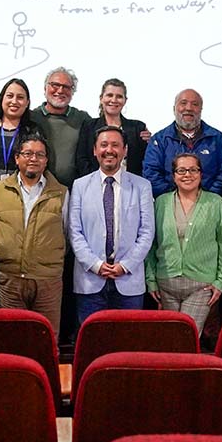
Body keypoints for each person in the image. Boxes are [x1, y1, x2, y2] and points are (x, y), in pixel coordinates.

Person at [70, 126, 155, 323]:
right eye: (104, 145)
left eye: (115, 145)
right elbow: (74, 231)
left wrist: (125, 266)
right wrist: (96, 265)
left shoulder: (142, 186)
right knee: (92, 343)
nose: (109, 150)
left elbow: (147, 232)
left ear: (125, 150)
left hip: (128, 280)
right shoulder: (80, 186)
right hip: (90, 280)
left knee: (127, 345)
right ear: (94, 150)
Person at [0, 135, 69, 335]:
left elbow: (66, 231)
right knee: (13, 340)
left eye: (40, 154)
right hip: (10, 277)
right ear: (17, 158)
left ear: (46, 160)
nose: (34, 158)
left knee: (47, 339)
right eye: (28, 153)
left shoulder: (61, 192)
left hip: (47, 279)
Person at [145, 153, 222, 335]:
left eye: (193, 170)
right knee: (169, 337)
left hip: (201, 285)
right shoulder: (161, 202)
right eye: (181, 170)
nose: (187, 175)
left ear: (201, 174)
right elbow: (151, 245)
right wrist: (151, 280)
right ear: (173, 175)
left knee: (188, 336)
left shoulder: (215, 202)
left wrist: (220, 281)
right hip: (165, 283)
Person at [144, 88, 222, 197]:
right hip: (169, 205)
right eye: (183, 103)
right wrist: (173, 198)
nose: (189, 108)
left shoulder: (217, 138)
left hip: (209, 204)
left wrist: (209, 196)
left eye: (195, 104)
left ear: (201, 109)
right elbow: (151, 173)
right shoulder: (159, 140)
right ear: (174, 109)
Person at [0, 78, 42, 188]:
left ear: (27, 102)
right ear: (2, 99)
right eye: (10, 96)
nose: (14, 101)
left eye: (20, 97)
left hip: (20, 195)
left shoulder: (32, 131)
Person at [75, 78, 150, 177]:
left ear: (125, 100)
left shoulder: (137, 128)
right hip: (95, 185)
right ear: (101, 98)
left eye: (119, 96)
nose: (114, 100)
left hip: (130, 187)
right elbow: (82, 159)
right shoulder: (89, 126)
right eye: (109, 95)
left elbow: (145, 161)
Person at [34, 67, 92, 188]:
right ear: (45, 88)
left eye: (66, 87)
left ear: (72, 92)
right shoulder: (31, 117)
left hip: (73, 190)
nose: (60, 90)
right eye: (55, 85)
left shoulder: (83, 119)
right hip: (38, 190)